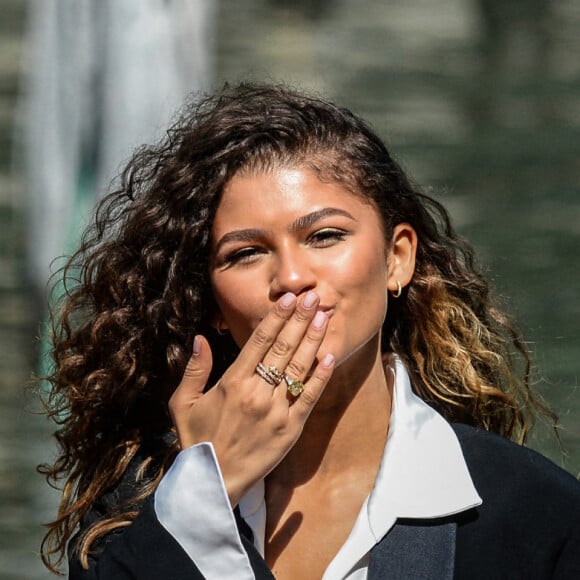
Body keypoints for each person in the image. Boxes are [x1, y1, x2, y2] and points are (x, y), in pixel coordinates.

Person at [40, 83, 580, 579]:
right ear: (212, 307)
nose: (293, 279)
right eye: (246, 253)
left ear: (397, 259)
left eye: (324, 236)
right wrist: (204, 495)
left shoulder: (536, 514)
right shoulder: (131, 515)